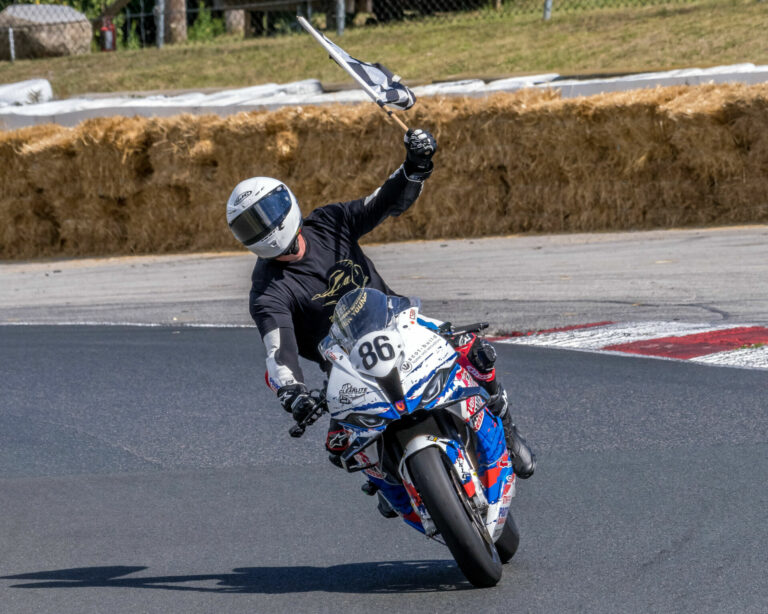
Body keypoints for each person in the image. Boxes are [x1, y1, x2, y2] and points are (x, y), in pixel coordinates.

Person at [226, 128, 535, 481]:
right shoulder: (267, 291)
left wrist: (414, 166)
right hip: (345, 368)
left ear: (287, 203)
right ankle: (390, 481)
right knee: (341, 447)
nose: (265, 227)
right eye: (252, 224)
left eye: (267, 213)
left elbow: (383, 201)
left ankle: (505, 426)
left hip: (402, 325)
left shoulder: (328, 223)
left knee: (475, 350)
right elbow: (278, 352)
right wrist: (293, 393)